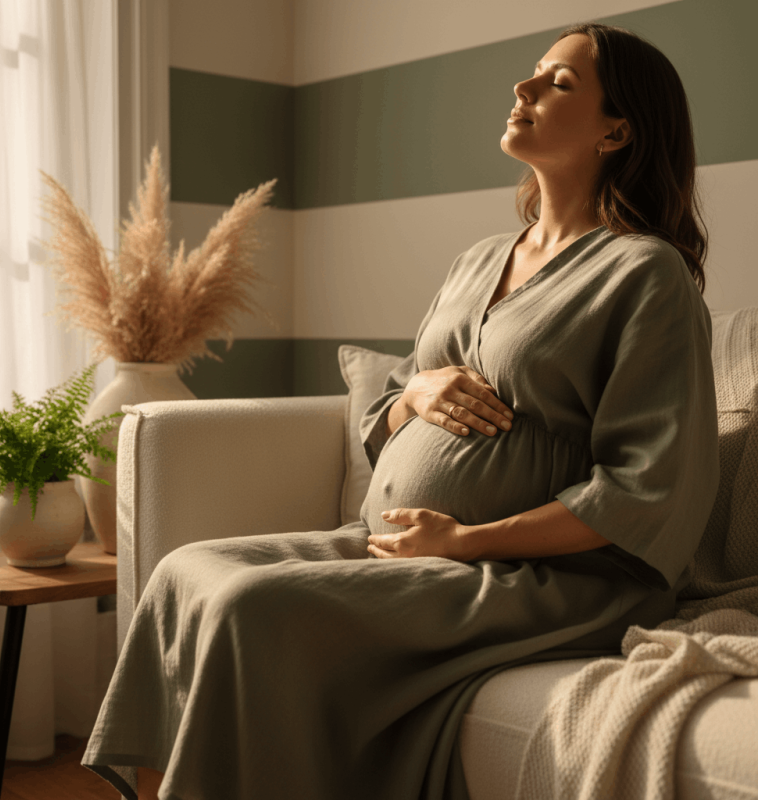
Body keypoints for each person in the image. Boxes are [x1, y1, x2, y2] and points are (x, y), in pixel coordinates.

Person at [82, 22, 719, 800]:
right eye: (534, 72)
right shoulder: (481, 259)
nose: (522, 89)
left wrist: (467, 540)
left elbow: (647, 488)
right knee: (186, 569)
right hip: (401, 541)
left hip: (545, 573)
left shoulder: (645, 273)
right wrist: (413, 393)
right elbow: (390, 406)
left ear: (617, 129)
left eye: (557, 83)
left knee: (254, 607)